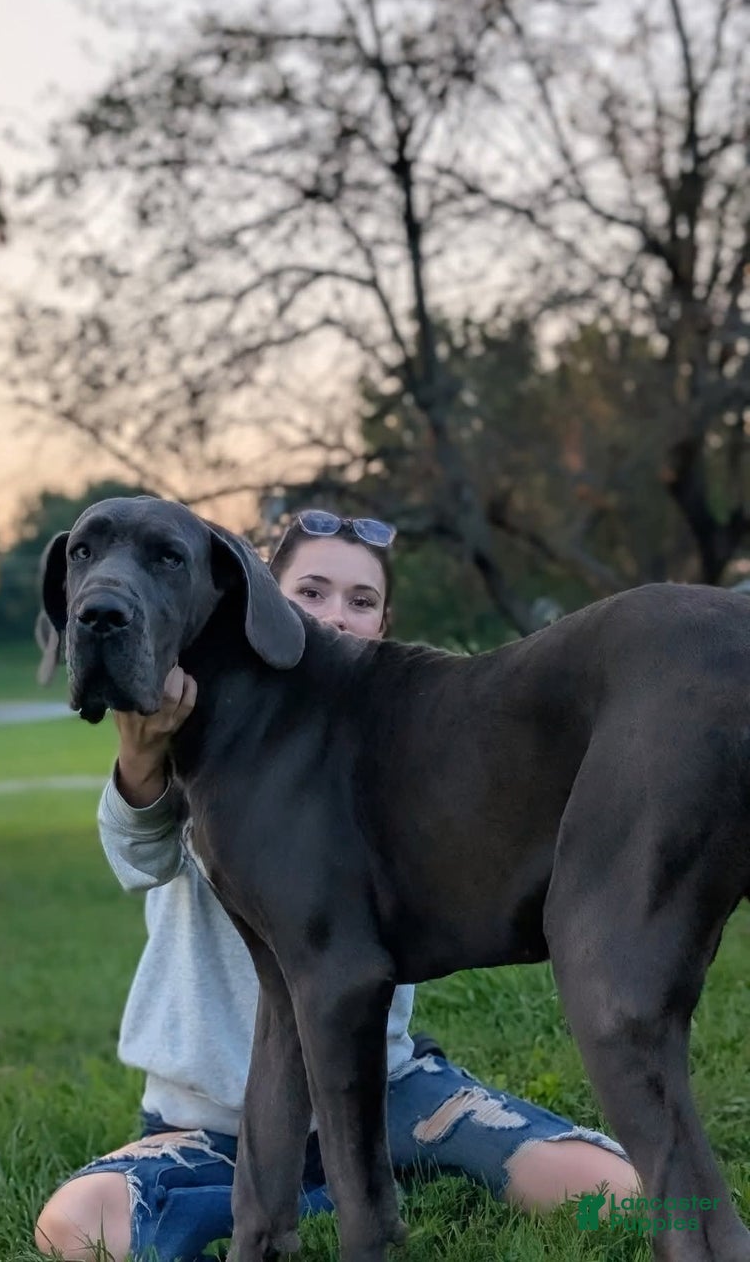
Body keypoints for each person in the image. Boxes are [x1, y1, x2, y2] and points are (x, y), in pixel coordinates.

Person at [35, 511, 640, 1262]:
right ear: (257, 605)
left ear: (384, 623)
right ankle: (321, 1197)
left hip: (388, 1094)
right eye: (311, 592)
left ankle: (380, 1179)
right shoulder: (217, 737)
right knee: (77, 1229)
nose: (333, 614)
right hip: (216, 1123)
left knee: (622, 1204)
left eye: (360, 601)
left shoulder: (383, 730)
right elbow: (139, 860)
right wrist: (140, 759)